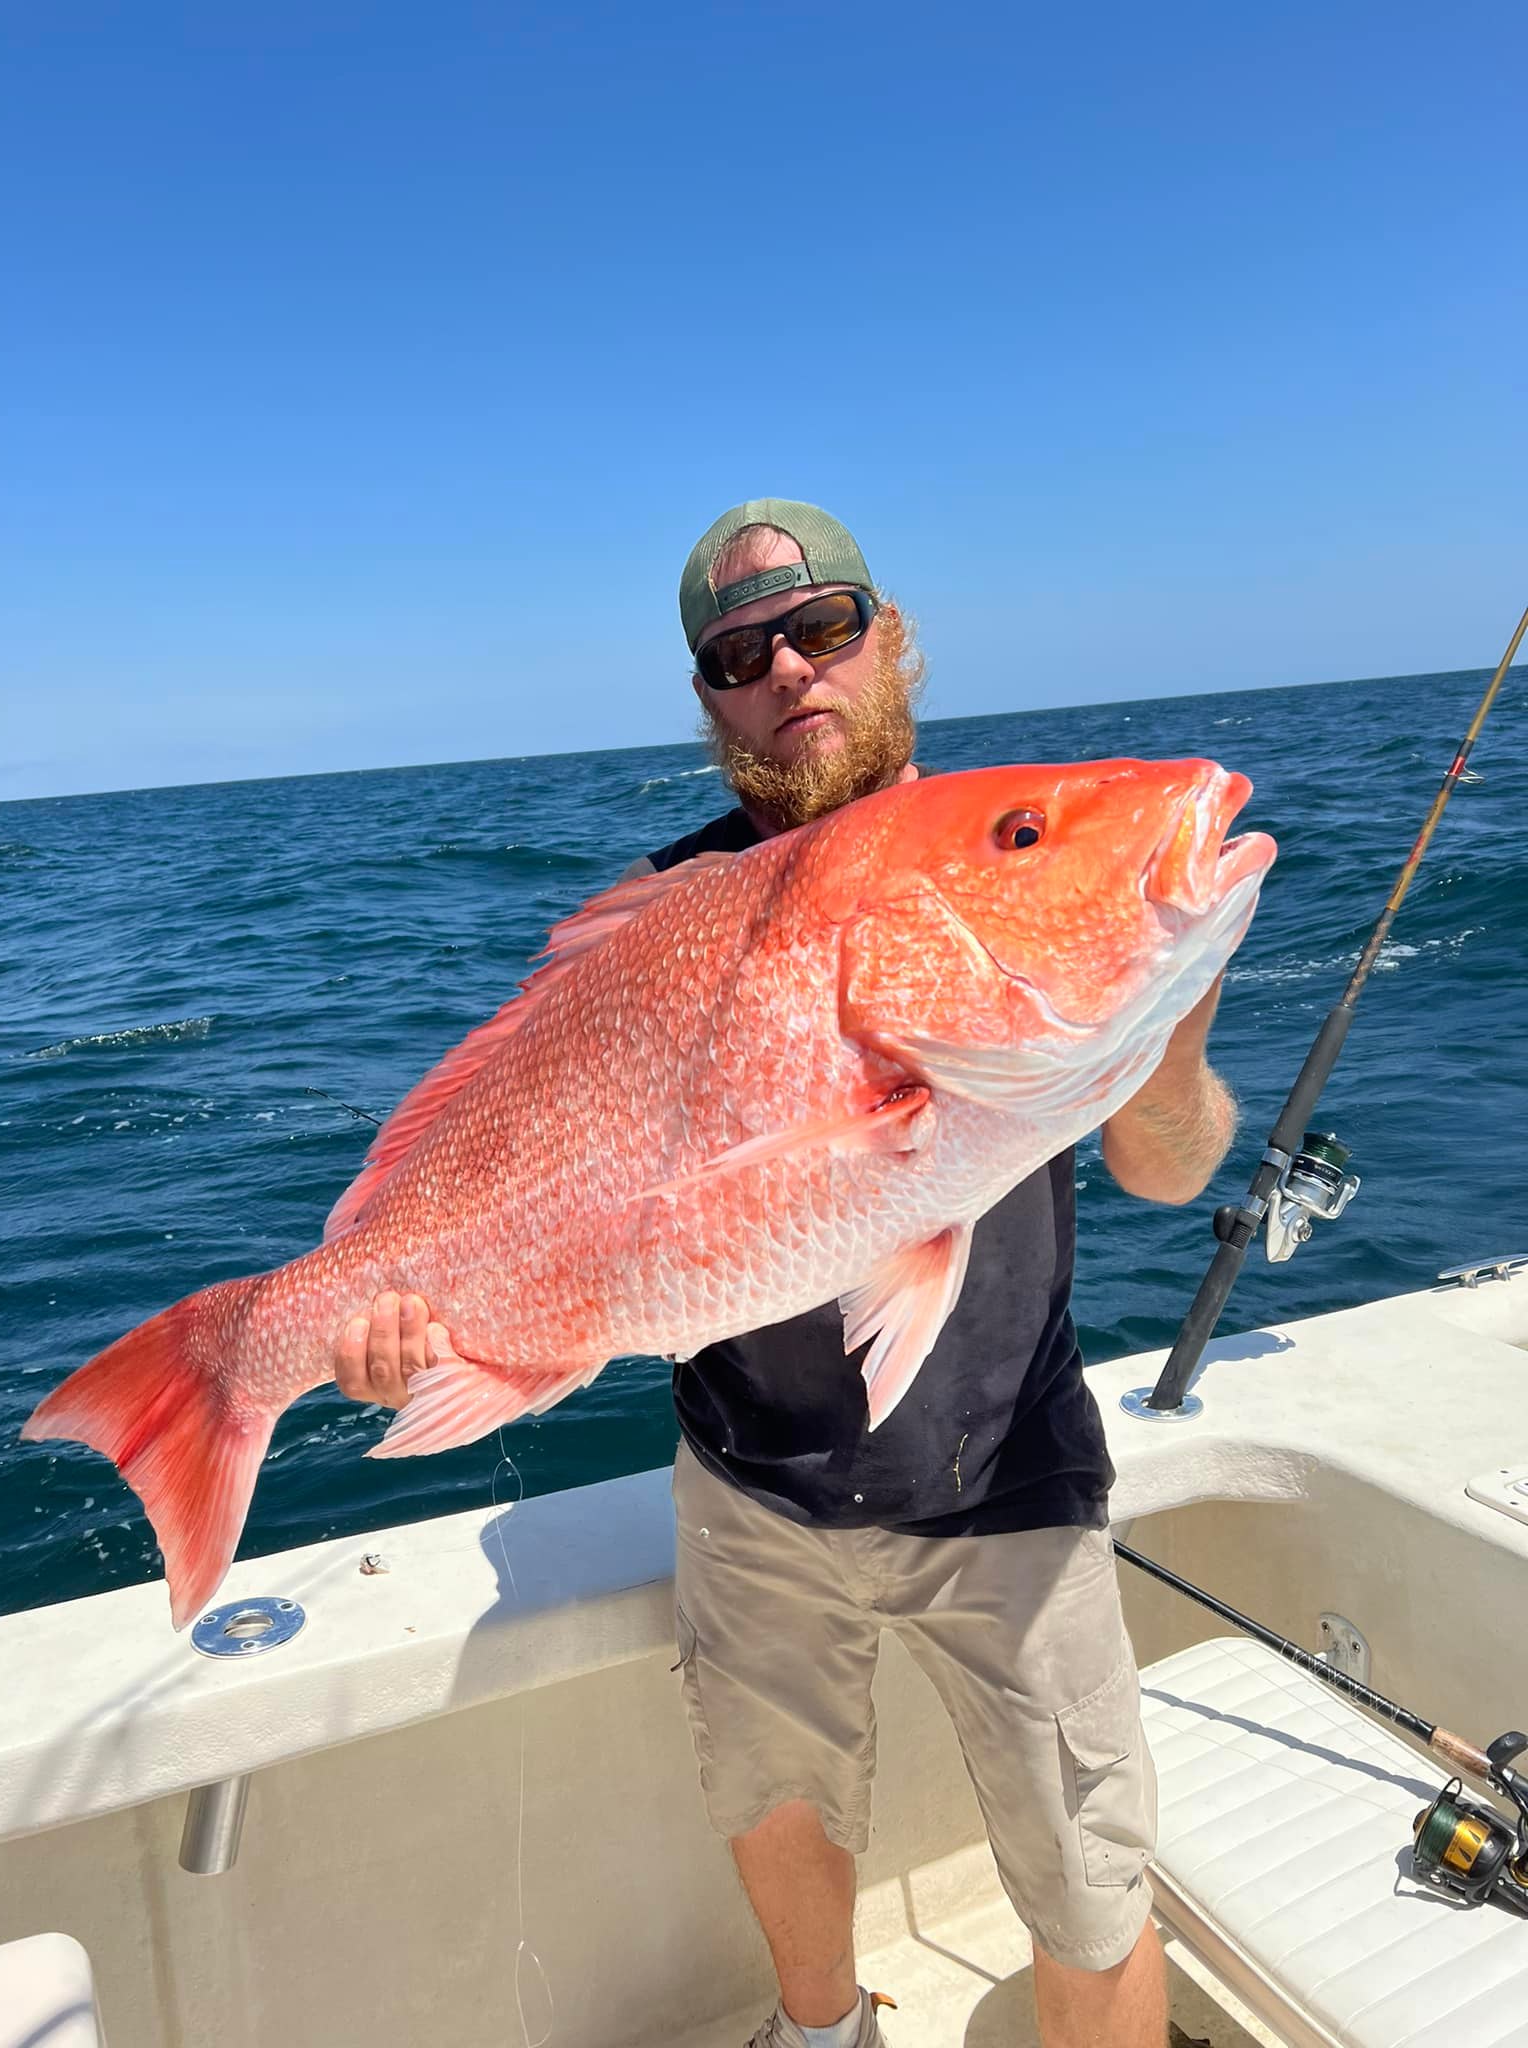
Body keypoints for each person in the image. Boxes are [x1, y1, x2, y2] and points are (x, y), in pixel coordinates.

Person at [334, 500, 1237, 2048]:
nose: (789, 672)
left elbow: (1168, 1167)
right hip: (750, 1492)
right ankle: (824, 2036)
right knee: (777, 1806)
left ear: (893, 643)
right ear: (709, 699)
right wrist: (399, 1326)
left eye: (825, 628)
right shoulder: (662, 918)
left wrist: (1158, 1017)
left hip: (1014, 1475)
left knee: (1092, 1880)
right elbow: (532, 1196)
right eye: (739, 656)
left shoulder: (982, 872)